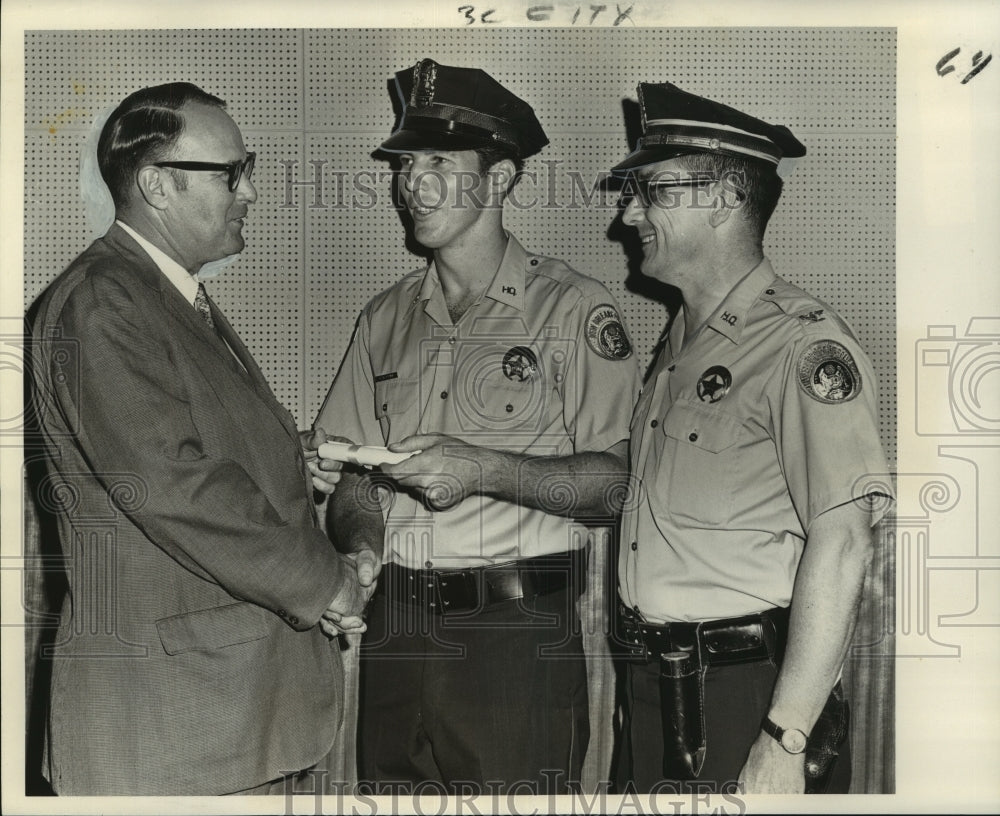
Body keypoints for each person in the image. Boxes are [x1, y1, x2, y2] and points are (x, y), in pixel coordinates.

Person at [29, 82, 367, 795]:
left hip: (218, 716)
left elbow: (179, 449)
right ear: (156, 183)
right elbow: (175, 485)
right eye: (232, 172)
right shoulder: (103, 303)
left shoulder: (156, 294)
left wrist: (288, 458)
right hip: (177, 727)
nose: (248, 191)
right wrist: (326, 580)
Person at [315, 58, 641, 794]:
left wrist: (486, 470)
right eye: (405, 162)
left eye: (438, 161)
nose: (413, 183)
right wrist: (362, 545)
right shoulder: (385, 318)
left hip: (515, 640)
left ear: (499, 180)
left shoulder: (572, 312)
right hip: (397, 627)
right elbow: (356, 483)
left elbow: (618, 485)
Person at [610, 82, 893, 794]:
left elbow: (846, 540)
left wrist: (785, 736)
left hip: (745, 699)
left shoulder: (801, 345)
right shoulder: (678, 344)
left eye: (652, 190)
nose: (628, 212)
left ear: (725, 200)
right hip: (655, 692)